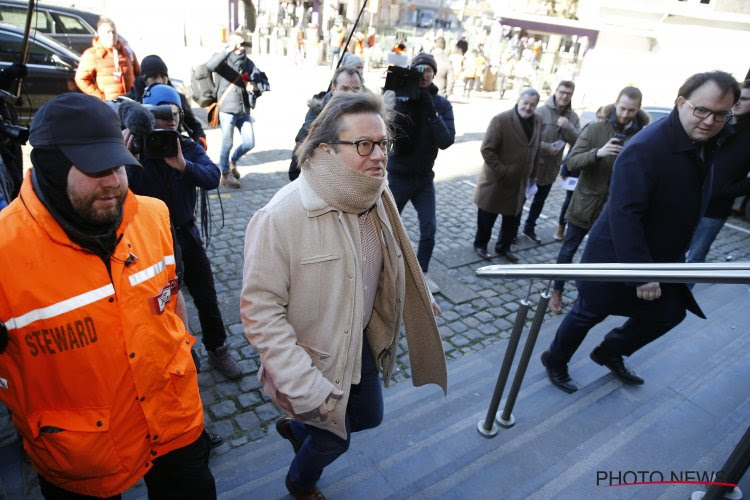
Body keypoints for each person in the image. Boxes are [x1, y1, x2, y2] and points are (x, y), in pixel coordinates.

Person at [0, 93, 215, 498]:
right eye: (96, 168)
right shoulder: (4, 253)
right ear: (49, 168)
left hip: (173, 418)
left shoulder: (153, 215)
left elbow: (172, 296)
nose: (115, 181)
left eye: (118, 164)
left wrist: (185, 351)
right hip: (81, 458)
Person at [241, 91, 447, 499]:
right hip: (316, 363)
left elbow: (392, 255)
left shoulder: (374, 193)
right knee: (336, 440)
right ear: (327, 149)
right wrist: (304, 386)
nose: (380, 156)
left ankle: (297, 429)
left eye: (384, 144)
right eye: (364, 145)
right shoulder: (280, 217)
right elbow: (260, 314)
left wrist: (417, 293)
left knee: (369, 416)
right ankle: (300, 483)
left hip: (360, 344)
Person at [541, 71, 739, 394]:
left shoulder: (712, 138)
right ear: (680, 103)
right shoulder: (646, 148)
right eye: (701, 110)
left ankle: (610, 350)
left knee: (671, 312)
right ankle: (555, 358)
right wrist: (641, 273)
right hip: (617, 257)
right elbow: (624, 214)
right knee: (588, 312)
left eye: (721, 114)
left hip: (662, 257)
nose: (709, 120)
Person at [125, 83, 242, 381]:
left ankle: (219, 349)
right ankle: (179, 354)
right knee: (160, 305)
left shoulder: (186, 147)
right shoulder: (136, 149)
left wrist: (182, 165)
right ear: (148, 115)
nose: (171, 119)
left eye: (175, 112)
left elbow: (213, 176)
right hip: (150, 244)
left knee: (206, 296)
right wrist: (124, 158)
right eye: (163, 113)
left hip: (186, 235)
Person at [548, 88, 648, 313]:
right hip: (585, 202)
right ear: (615, 103)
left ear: (638, 109)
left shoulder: (642, 136)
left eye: (631, 110)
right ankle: (557, 291)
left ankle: (586, 296)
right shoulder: (595, 129)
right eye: (622, 108)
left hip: (614, 209)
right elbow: (572, 162)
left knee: (597, 257)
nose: (625, 114)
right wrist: (598, 153)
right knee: (568, 250)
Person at [388, 53, 455, 293]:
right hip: (398, 175)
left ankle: (422, 273)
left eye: (429, 70)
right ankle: (384, 269)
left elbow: (446, 140)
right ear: (411, 72)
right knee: (387, 224)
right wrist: (396, 102)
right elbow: (387, 134)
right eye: (419, 70)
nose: (424, 74)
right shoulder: (400, 97)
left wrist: (430, 110)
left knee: (429, 228)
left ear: (434, 74)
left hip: (424, 179)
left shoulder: (441, 104)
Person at [473, 88, 542, 264]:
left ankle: (504, 247)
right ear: (519, 101)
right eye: (525, 103)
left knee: (512, 218)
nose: (528, 107)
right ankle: (481, 245)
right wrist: (504, 171)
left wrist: (533, 174)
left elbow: (535, 149)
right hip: (497, 181)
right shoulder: (501, 120)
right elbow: (487, 150)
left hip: (520, 183)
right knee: (487, 216)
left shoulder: (537, 121)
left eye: (532, 105)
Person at [687, 79, 750, 263]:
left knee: (694, 259)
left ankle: (679, 292)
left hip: (714, 210)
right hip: (687, 200)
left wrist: (725, 190)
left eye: (745, 99)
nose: (738, 102)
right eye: (736, 97)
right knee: (670, 251)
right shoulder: (719, 120)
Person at [206, 30, 269, 188]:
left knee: (249, 142)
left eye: (243, 43)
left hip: (243, 109)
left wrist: (255, 88)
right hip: (227, 109)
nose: (241, 47)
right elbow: (210, 65)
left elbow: (259, 81)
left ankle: (233, 161)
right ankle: (225, 174)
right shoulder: (223, 60)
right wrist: (228, 49)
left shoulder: (247, 63)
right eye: (237, 43)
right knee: (227, 143)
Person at [521, 81, 580, 244]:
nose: (564, 96)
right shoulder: (540, 112)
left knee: (539, 202)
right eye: (562, 92)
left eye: (568, 93)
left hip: (551, 169)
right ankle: (511, 230)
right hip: (533, 167)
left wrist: (568, 128)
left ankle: (529, 228)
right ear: (556, 91)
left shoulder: (573, 117)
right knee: (522, 200)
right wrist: (547, 147)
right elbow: (527, 140)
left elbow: (578, 142)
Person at [288, 66, 364, 181]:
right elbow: (297, 166)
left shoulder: (368, 115)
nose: (350, 94)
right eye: (344, 88)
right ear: (333, 89)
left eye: (355, 89)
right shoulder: (317, 116)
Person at [125, 54, 207, 150]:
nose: (160, 80)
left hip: (173, 148)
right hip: (143, 153)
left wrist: (200, 144)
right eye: (154, 77)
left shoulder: (177, 98)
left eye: (163, 76)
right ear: (144, 78)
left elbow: (194, 125)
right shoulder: (131, 101)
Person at [554, 106, 607, 241]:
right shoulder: (588, 129)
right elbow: (573, 151)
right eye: (599, 117)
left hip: (592, 176)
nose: (600, 120)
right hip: (576, 173)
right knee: (569, 202)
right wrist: (565, 170)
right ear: (596, 116)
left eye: (603, 118)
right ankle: (561, 227)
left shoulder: (607, 132)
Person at [75, 17, 140, 101]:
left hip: (131, 103)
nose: (112, 36)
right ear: (100, 34)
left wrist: (137, 94)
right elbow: (81, 79)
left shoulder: (128, 52)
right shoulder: (92, 54)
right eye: (108, 32)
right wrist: (100, 97)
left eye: (114, 32)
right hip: (109, 105)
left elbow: (139, 75)